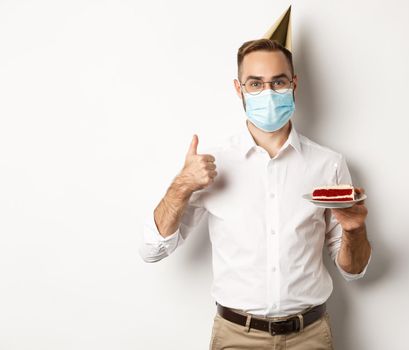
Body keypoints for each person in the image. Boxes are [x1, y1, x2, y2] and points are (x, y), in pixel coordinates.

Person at [139, 8, 371, 350]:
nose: (268, 92)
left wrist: (354, 231)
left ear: (293, 84)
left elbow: (354, 271)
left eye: (278, 81)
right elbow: (151, 251)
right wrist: (181, 186)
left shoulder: (329, 164)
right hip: (236, 337)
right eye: (255, 84)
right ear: (239, 89)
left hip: (310, 336)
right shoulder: (211, 163)